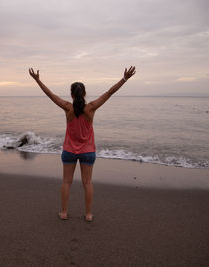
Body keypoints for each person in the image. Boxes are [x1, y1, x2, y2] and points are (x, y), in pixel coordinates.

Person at [29, 66, 136, 222]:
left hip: (69, 150)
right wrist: (125, 79)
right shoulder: (91, 108)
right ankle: (88, 215)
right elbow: (109, 93)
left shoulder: (67, 107)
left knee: (66, 181)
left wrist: (38, 80)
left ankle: (64, 213)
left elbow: (50, 94)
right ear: (84, 94)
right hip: (88, 151)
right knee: (87, 183)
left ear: (72, 94)